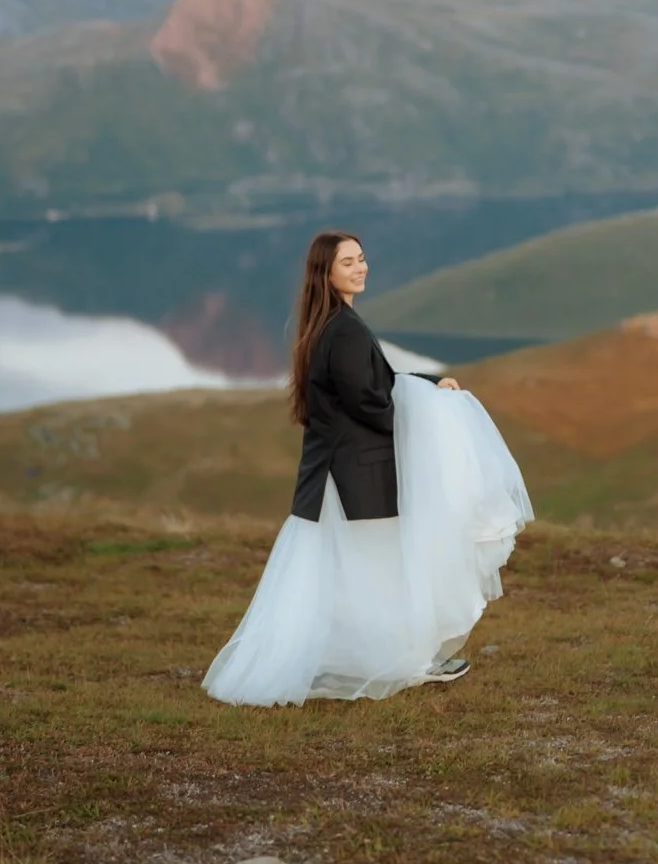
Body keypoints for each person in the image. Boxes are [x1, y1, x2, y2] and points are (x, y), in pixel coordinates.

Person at [203, 229, 532, 706]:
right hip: (354, 473)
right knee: (377, 570)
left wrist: (428, 383)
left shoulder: (329, 324)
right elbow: (371, 402)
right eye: (349, 263)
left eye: (361, 259)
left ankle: (362, 656)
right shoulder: (344, 329)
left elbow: (372, 384)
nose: (361, 268)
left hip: (332, 473)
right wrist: (431, 410)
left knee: (340, 570)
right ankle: (404, 661)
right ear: (326, 272)